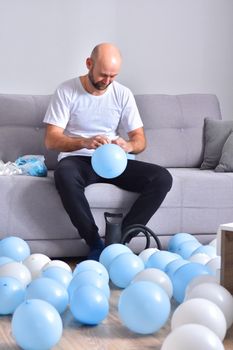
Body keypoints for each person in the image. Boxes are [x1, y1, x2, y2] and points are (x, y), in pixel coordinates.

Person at [43, 43, 173, 260]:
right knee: (64, 174)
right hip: (79, 159)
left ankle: (119, 243)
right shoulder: (66, 91)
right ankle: (94, 243)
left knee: (162, 178)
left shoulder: (122, 94)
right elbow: (51, 140)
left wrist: (128, 146)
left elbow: (140, 140)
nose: (107, 81)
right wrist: (84, 142)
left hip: (114, 161)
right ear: (89, 64)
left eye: (113, 76)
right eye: (103, 75)